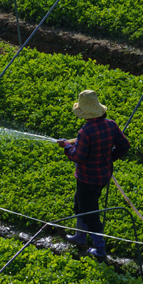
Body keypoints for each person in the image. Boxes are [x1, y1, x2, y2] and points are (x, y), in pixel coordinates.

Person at [57, 90, 130, 259]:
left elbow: (79, 157)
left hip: (87, 178)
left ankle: (99, 249)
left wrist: (66, 147)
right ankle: (80, 236)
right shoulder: (111, 125)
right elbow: (124, 146)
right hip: (102, 176)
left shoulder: (85, 132)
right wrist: (109, 159)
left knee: (90, 212)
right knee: (80, 203)